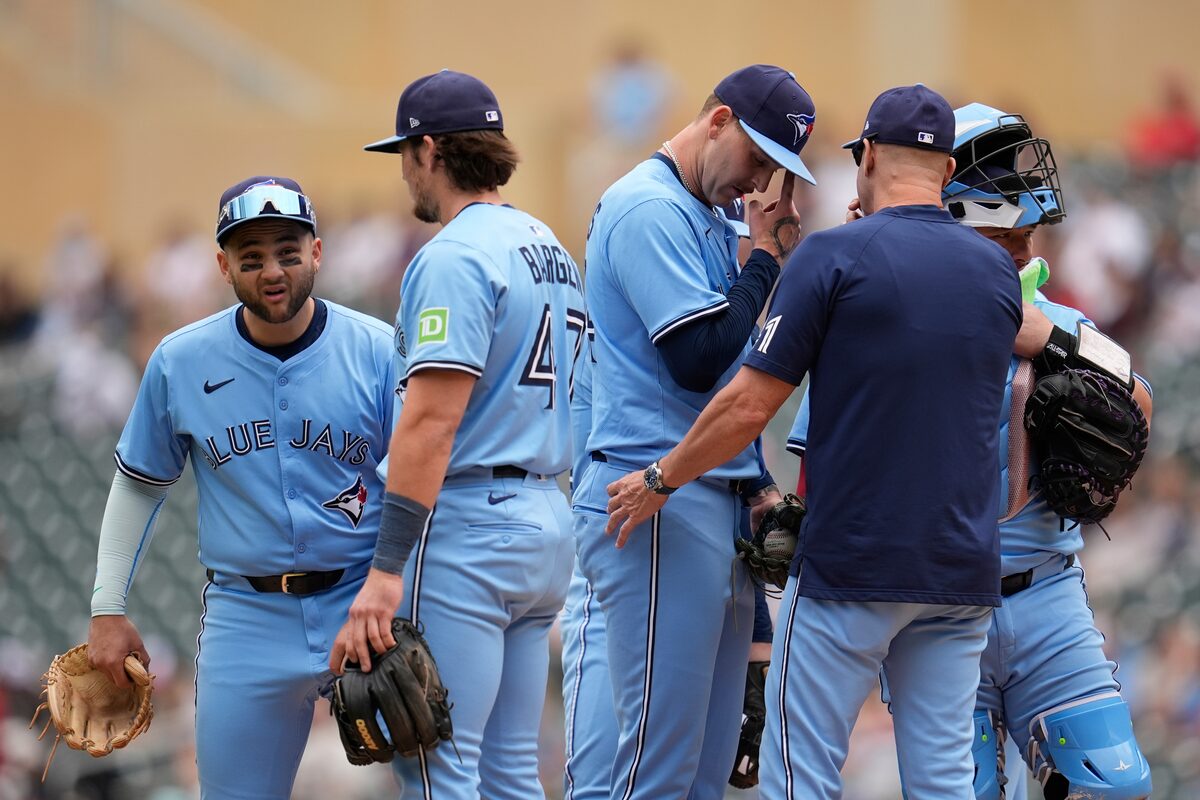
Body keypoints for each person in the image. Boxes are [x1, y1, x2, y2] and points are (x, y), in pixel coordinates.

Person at [606, 84, 1024, 798]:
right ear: (947, 174)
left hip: (852, 569)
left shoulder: (833, 258)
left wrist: (661, 479)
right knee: (947, 782)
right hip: (960, 571)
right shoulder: (996, 272)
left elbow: (745, 406)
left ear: (863, 162)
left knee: (798, 779)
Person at [87, 175, 397, 799]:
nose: (272, 270)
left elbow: (420, 480)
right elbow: (139, 486)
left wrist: (399, 585)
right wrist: (106, 607)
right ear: (223, 266)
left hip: (364, 603)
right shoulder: (180, 361)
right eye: (251, 257)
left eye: (287, 250)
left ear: (317, 252)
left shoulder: (378, 349)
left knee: (430, 785)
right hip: (246, 617)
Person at [333, 69, 582, 799]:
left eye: (405, 152)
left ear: (431, 150)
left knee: (438, 767)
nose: (404, 170)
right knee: (508, 771)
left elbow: (432, 422)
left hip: (472, 527)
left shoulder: (453, 254)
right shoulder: (547, 244)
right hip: (545, 518)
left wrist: (385, 571)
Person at [572, 64, 815, 800]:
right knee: (659, 768)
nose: (762, 181)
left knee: (704, 775)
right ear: (718, 122)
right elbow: (699, 358)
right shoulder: (647, 208)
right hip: (652, 499)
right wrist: (769, 259)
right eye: (759, 158)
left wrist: (761, 482)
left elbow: (726, 377)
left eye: (778, 168)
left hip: (710, 494)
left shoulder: (707, 215)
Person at [941, 103, 1152, 800]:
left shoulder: (1060, 321)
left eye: (1029, 233)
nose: (1026, 252)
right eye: (1009, 237)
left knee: (1111, 786)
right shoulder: (887, 319)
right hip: (936, 609)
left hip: (1047, 592)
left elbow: (1140, 402)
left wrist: (1049, 343)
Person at [559, 200, 776, 800]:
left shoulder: (696, 333)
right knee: (620, 776)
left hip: (676, 539)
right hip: (623, 545)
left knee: (680, 776)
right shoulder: (624, 347)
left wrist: (756, 640)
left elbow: (738, 466)